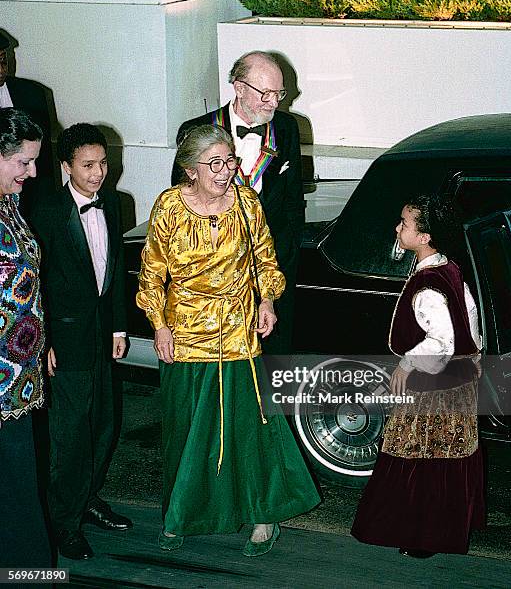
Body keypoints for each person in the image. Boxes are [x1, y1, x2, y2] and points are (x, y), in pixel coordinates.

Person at [138, 124, 320, 556]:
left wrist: (268, 302)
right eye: (215, 164)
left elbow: (267, 264)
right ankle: (181, 513)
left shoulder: (247, 203)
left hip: (239, 334)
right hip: (183, 337)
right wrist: (159, 325)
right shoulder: (168, 208)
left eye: (230, 161)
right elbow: (151, 276)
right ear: (190, 170)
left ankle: (263, 515)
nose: (225, 171)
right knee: (187, 432)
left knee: (249, 430)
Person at [351, 195, 485, 557]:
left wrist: (408, 363)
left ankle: (424, 536)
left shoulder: (427, 286)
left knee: (422, 458)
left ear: (424, 237)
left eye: (405, 224)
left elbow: (440, 343)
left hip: (435, 386)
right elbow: (471, 316)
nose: (398, 228)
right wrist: (474, 355)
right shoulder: (450, 268)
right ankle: (442, 527)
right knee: (446, 456)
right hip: (459, 381)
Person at [30, 123, 132, 561]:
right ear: (66, 165)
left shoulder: (113, 204)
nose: (97, 173)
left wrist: (119, 328)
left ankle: (87, 498)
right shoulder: (46, 211)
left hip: (101, 336)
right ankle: (63, 523)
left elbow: (115, 276)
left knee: (103, 424)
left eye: (103, 163)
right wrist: (43, 340)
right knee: (70, 435)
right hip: (64, 339)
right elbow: (34, 282)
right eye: (87, 165)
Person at [172, 51, 304, 354]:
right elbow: (183, 209)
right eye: (266, 94)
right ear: (239, 87)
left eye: (279, 93)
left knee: (271, 370)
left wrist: (276, 269)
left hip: (272, 271)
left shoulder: (287, 129)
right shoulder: (196, 131)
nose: (274, 102)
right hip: (214, 279)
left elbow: (292, 205)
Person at [0, 108, 51, 571]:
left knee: (18, 491)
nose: (32, 172)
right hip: (0, 389)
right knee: (14, 497)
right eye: (22, 162)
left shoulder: (9, 204)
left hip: (21, 381)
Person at [0, 31, 56, 219]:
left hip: (30, 208)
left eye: (3, 61)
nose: (1, 70)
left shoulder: (33, 95)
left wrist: (48, 209)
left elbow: (46, 163)